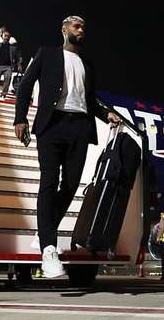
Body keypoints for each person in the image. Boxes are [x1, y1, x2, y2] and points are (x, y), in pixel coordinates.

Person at [14, 15, 121, 278]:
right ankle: (49, 248)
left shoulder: (88, 64)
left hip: (79, 127)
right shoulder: (47, 54)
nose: (81, 29)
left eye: (84, 26)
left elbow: (90, 100)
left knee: (71, 184)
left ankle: (44, 230)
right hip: (52, 125)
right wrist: (20, 119)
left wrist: (106, 114)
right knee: (49, 182)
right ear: (64, 30)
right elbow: (26, 85)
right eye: (76, 25)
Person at [0, 27, 23, 100]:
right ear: (2, 36)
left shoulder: (13, 47)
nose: (6, 37)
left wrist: (19, 64)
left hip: (8, 67)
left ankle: (3, 95)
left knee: (7, 79)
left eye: (8, 36)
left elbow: (18, 55)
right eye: (5, 36)